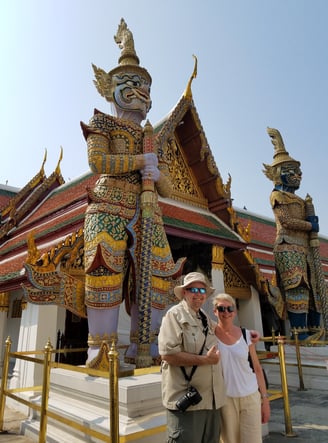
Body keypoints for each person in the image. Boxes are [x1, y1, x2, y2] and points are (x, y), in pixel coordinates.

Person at [80, 19, 184, 368]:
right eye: (132, 84)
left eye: (146, 87)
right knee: (104, 269)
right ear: (110, 88)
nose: (141, 93)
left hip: (148, 209)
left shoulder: (151, 135)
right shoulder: (102, 123)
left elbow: (167, 186)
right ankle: (100, 350)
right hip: (108, 201)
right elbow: (97, 161)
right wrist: (140, 161)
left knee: (158, 275)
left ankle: (146, 347)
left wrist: (156, 172)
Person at [263, 127, 324, 339]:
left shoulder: (300, 200)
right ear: (279, 174)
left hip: (307, 248)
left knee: (315, 291)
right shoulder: (277, 195)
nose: (298, 175)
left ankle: (316, 331)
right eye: (292, 171)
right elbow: (286, 222)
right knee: (297, 287)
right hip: (288, 246)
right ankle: (300, 334)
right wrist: (310, 226)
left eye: (299, 171)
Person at [158, 272, 226, 443]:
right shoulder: (174, 316)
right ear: (185, 293)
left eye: (202, 291)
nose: (198, 294)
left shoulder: (205, 318)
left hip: (211, 400)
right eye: (193, 289)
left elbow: (225, 334)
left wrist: (248, 336)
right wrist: (205, 361)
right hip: (188, 402)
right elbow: (167, 354)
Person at [213, 293, 270, 443]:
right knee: (230, 440)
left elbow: (257, 368)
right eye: (221, 308)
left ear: (235, 311)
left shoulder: (246, 335)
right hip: (226, 399)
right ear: (215, 311)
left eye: (230, 308)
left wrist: (265, 400)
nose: (226, 312)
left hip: (250, 395)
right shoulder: (210, 336)